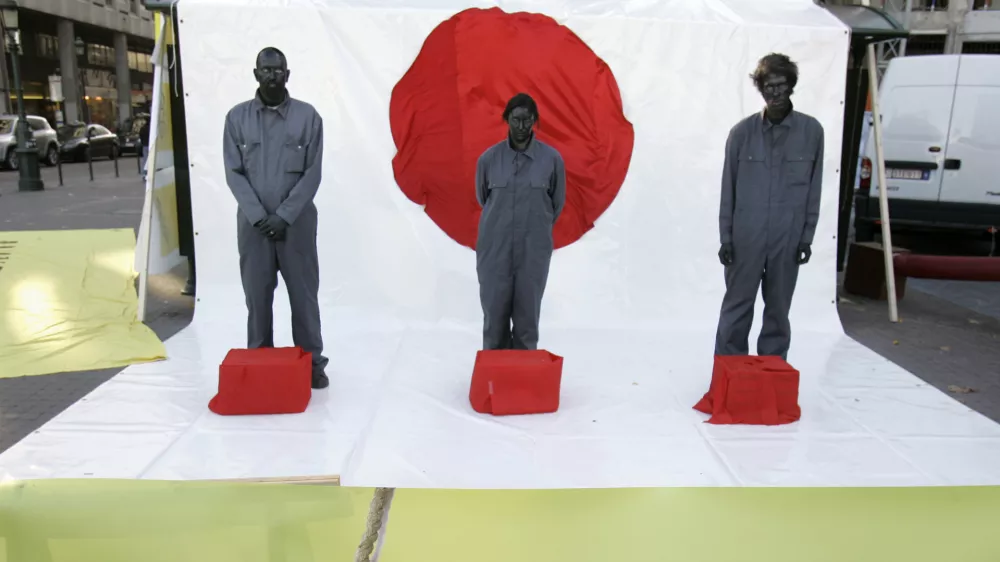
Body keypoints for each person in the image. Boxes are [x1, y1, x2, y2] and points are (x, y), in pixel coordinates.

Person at [222, 46, 329, 389]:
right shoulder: (236, 119)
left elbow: (312, 173)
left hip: (296, 226)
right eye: (265, 70)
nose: (272, 75)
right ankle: (259, 360)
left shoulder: (308, 118)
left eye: (278, 70)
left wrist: (284, 216)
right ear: (256, 74)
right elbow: (234, 174)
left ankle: (312, 364)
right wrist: (258, 217)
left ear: (288, 74)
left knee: (304, 296)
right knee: (257, 298)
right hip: (254, 228)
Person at [714, 53, 824, 361]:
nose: (775, 93)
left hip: (787, 237)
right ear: (760, 89)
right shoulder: (741, 133)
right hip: (746, 236)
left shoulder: (811, 132)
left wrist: (806, 237)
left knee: (778, 309)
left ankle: (772, 373)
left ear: (792, 85)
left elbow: (814, 187)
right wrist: (726, 238)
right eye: (768, 87)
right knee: (737, 306)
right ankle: (730, 372)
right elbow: (728, 189)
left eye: (781, 85)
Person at [475, 93, 566, 351]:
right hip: (495, 249)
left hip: (533, 250)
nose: (522, 126)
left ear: (535, 120)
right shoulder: (489, 160)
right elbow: (483, 198)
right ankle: (495, 373)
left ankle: (524, 373)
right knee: (494, 319)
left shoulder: (552, 160)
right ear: (507, 119)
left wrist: (534, 228)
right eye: (516, 120)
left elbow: (556, 204)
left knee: (527, 321)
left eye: (528, 120)